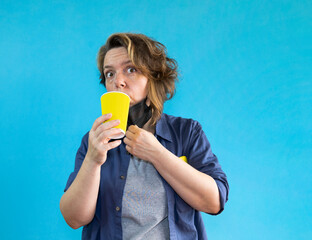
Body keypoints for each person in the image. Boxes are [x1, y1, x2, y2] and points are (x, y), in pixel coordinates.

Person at [60, 33, 229, 240]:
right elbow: (74, 219)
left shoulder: (187, 132)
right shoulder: (94, 141)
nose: (118, 81)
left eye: (131, 70)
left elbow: (214, 202)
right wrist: (93, 160)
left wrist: (157, 154)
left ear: (153, 77)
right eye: (109, 74)